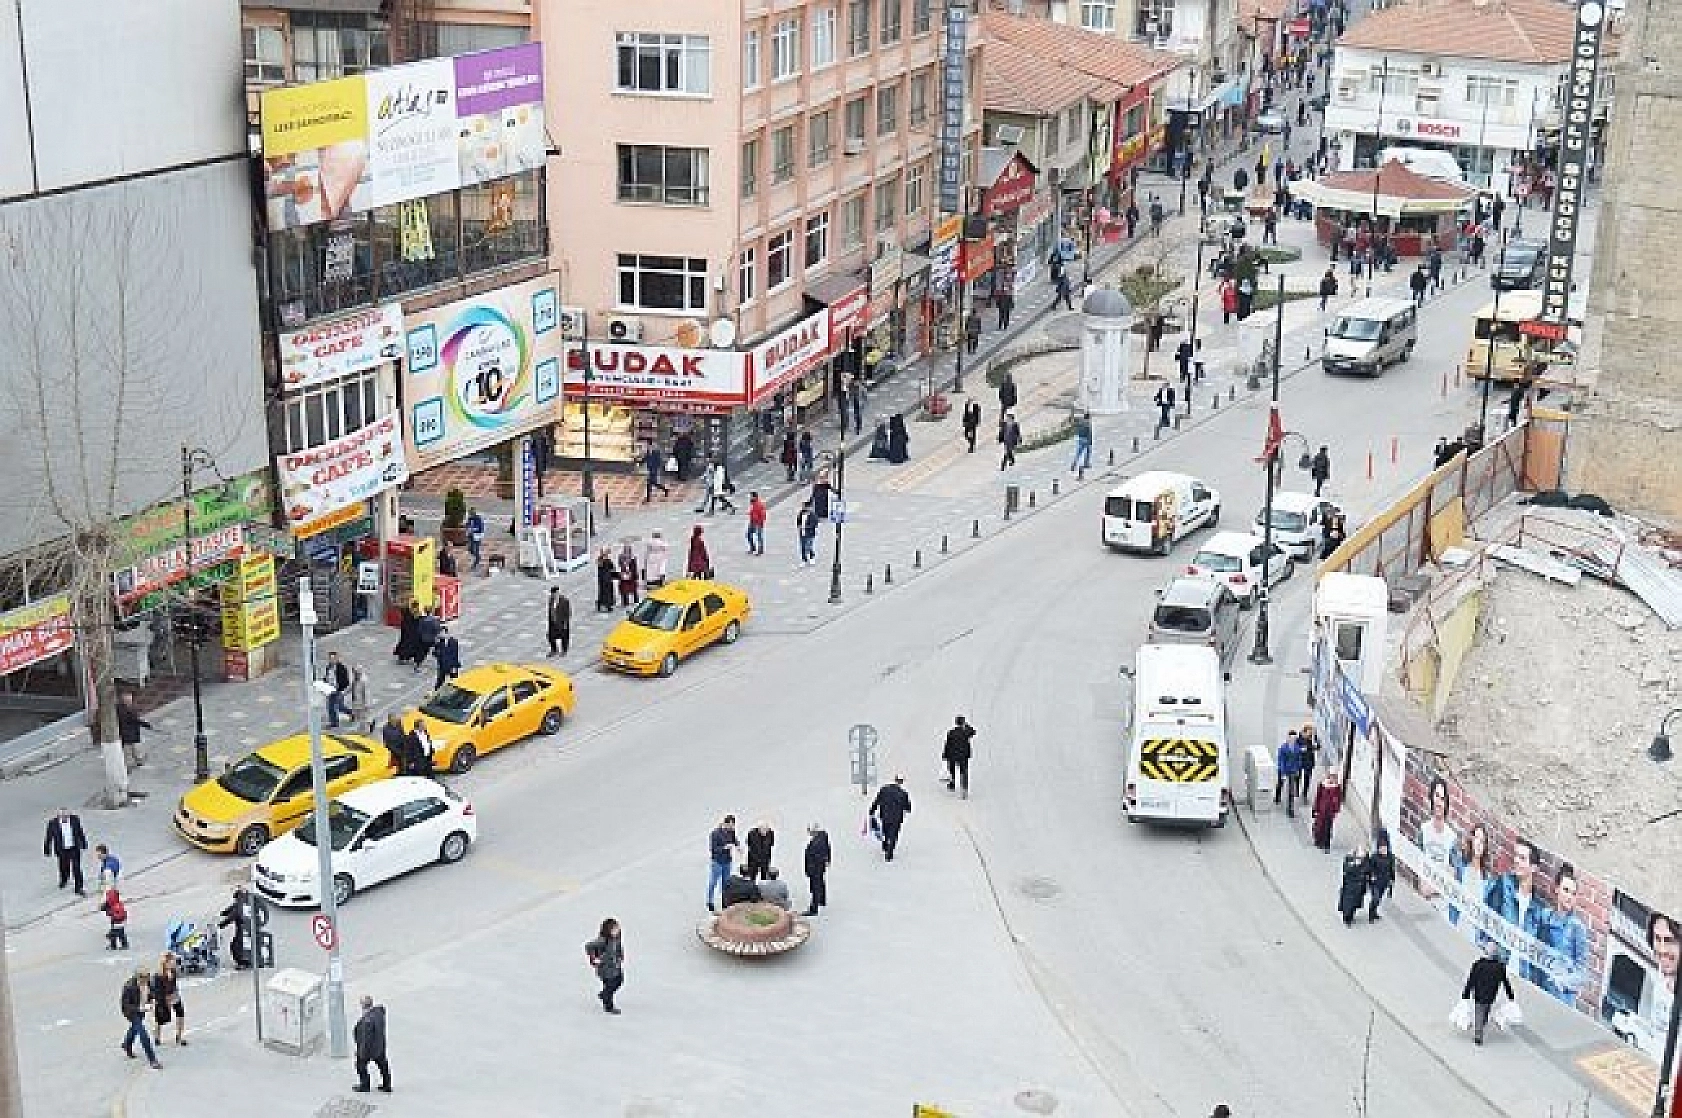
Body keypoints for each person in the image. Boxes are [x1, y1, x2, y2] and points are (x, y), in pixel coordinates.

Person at [1492, 837, 1553, 978]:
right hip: (1497, 965)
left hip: (1522, 976)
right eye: (1516, 856)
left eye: (1522, 858)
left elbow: (1539, 950)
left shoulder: (1539, 909)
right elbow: (1488, 913)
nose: (1517, 861)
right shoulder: (1504, 885)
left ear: (1534, 868)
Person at [1462, 941, 1515, 1045]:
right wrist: (1510, 994)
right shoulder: (1499, 967)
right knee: (1485, 1009)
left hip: (1479, 992)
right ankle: (1482, 1025)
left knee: (1479, 1011)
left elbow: (1471, 979)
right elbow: (1505, 981)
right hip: (1491, 993)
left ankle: (1478, 1035)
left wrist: (1466, 992)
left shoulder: (1478, 964)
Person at [120, 968, 162, 1069]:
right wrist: (139, 1008)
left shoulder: (148, 983)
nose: (144, 982)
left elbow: (152, 994)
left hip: (142, 1011)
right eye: (142, 979)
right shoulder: (129, 987)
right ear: (137, 977)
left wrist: (152, 1000)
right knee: (143, 1034)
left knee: (135, 1029)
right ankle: (152, 1059)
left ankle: (126, 1044)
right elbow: (125, 1005)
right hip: (132, 1013)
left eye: (146, 979)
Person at [585, 919, 625, 1015]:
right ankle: (608, 1005)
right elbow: (588, 946)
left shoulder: (616, 939)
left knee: (619, 980)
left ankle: (604, 994)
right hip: (605, 969)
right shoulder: (603, 940)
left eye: (617, 928)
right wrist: (594, 957)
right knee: (609, 986)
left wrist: (620, 956)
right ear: (607, 930)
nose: (617, 931)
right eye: (614, 929)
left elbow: (619, 948)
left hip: (615, 966)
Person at [44, 807, 88, 895]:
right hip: (61, 849)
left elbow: (80, 831)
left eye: (66, 815)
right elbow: (48, 837)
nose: (64, 817)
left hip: (74, 848)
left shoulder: (75, 819)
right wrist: (47, 849)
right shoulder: (53, 823)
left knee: (76, 867)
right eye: (62, 816)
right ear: (58, 816)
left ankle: (79, 887)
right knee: (63, 866)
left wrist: (83, 842)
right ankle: (64, 879)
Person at [352, 995, 392, 1091]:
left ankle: (365, 1085)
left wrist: (361, 1053)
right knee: (383, 1065)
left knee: (360, 1065)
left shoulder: (367, 1021)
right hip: (380, 1045)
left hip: (370, 1049)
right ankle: (387, 1085)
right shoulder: (378, 1014)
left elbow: (366, 1039)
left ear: (363, 1006)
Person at [869, 775, 912, 861]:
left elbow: (877, 800)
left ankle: (885, 844)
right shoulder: (903, 793)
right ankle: (889, 853)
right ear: (901, 782)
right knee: (894, 834)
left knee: (886, 831)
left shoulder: (884, 789)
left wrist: (872, 810)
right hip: (897, 818)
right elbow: (908, 807)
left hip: (885, 815)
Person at [706, 814, 739, 912]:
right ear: (725, 824)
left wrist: (737, 846)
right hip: (717, 861)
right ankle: (709, 901)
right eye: (731, 826)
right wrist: (725, 847)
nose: (732, 828)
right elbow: (713, 849)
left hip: (727, 861)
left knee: (726, 882)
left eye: (733, 826)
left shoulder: (731, 831)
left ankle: (725, 901)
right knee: (713, 882)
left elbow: (734, 839)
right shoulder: (715, 833)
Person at [152, 954, 186, 1047]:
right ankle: (157, 1037)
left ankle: (179, 1036)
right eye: (172, 961)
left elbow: (174, 984)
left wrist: (174, 994)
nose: (174, 963)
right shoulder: (158, 976)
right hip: (162, 997)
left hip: (173, 995)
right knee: (159, 1018)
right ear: (166, 963)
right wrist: (165, 1001)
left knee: (180, 1013)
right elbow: (158, 992)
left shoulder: (173, 971)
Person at [116, 691, 152, 769]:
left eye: (130, 698)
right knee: (133, 749)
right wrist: (146, 724)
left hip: (125, 734)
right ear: (124, 699)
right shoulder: (128, 710)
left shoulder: (119, 708)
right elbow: (136, 720)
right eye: (128, 699)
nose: (130, 700)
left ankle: (130, 764)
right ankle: (136, 762)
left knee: (129, 750)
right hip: (131, 733)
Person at [943, 715, 975, 798]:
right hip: (963, 755)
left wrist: (945, 755)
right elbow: (973, 732)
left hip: (952, 755)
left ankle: (952, 783)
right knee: (964, 772)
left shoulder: (951, 732)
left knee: (951, 770)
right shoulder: (966, 732)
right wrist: (966, 725)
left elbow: (947, 744)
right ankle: (964, 790)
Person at [802, 824, 831, 916]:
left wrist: (808, 871)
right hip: (821, 866)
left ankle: (813, 909)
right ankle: (822, 900)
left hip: (815, 869)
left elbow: (812, 859)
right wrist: (828, 860)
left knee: (815, 887)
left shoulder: (815, 844)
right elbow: (828, 848)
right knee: (821, 883)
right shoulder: (823, 836)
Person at [219, 889, 252, 969]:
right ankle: (247, 960)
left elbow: (231, 917)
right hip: (250, 929)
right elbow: (231, 908)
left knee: (235, 946)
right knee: (246, 945)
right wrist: (223, 913)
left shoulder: (239, 906)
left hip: (242, 930)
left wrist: (219, 926)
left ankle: (242, 963)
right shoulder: (246, 903)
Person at [1311, 771, 1342, 851]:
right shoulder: (1322, 785)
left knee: (1328, 828)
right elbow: (1318, 797)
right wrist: (1315, 809)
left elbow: (1338, 800)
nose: (1333, 778)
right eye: (1332, 776)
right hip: (1321, 810)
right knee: (1319, 826)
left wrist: (1336, 809)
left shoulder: (1337, 788)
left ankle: (1326, 844)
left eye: (1334, 777)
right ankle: (1318, 841)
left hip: (1330, 811)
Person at [1368, 830, 1396, 919]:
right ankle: (1371, 913)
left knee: (1379, 899)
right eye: (1381, 848)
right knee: (1375, 898)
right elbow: (1369, 868)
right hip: (1375, 882)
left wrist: (1392, 880)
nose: (1383, 850)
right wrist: (1371, 876)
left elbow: (1392, 869)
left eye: (1385, 848)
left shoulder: (1391, 857)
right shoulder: (1374, 857)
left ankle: (1374, 912)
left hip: (1384, 882)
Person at [1339, 847, 1371, 926]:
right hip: (1349, 886)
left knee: (1355, 904)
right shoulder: (1349, 860)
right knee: (1348, 903)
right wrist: (1354, 865)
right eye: (1359, 856)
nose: (1360, 858)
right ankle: (1347, 918)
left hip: (1360, 888)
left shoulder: (1366, 862)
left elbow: (1368, 872)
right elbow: (1346, 870)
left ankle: (1351, 916)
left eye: (1362, 856)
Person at [1274, 731, 1301, 816]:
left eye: (1294, 738)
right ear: (1288, 738)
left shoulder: (1297, 748)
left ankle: (1290, 809)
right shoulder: (1283, 748)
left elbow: (1299, 759)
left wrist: (1297, 769)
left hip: (1292, 771)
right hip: (1283, 770)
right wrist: (1283, 773)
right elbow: (1281, 760)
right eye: (1291, 738)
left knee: (1291, 791)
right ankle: (1277, 796)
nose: (1293, 740)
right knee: (1280, 784)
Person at [323, 650, 352, 729]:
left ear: (337, 658)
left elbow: (346, 682)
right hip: (330, 690)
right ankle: (334, 723)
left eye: (334, 658)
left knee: (339, 707)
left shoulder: (342, 668)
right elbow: (327, 677)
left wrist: (341, 691)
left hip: (338, 691)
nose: (332, 660)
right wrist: (324, 682)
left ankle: (352, 713)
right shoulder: (328, 667)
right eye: (330, 658)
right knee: (330, 707)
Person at [393, 599, 424, 666]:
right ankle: (409, 657)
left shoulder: (407, 611)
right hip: (413, 632)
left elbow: (399, 607)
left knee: (404, 643)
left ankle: (401, 658)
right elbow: (420, 622)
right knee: (412, 645)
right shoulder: (418, 613)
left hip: (405, 630)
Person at [430, 625, 460, 692]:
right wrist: (438, 652)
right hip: (442, 666)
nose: (439, 635)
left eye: (440, 633)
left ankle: (455, 692)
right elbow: (434, 653)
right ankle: (436, 692)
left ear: (446, 633)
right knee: (439, 682)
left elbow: (455, 655)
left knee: (455, 681)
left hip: (451, 665)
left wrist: (454, 667)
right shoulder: (439, 642)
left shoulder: (454, 641)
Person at [546, 586, 571, 657]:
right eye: (554, 594)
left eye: (557, 593)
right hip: (553, 623)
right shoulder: (551, 600)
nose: (555, 595)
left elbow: (568, 613)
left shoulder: (565, 601)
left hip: (562, 623)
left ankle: (564, 651)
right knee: (550, 636)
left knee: (564, 637)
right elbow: (550, 611)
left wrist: (565, 623)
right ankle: (554, 650)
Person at [615, 542, 641, 608]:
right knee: (627, 589)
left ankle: (630, 601)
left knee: (629, 589)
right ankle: (629, 601)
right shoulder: (631, 556)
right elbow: (620, 564)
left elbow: (634, 566)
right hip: (627, 575)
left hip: (628, 575)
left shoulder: (623, 556)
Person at [796, 501, 819, 566]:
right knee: (803, 547)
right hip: (802, 533)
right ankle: (804, 560)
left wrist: (806, 527)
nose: (803, 507)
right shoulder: (801, 513)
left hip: (810, 533)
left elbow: (814, 524)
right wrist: (799, 526)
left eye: (805, 506)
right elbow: (798, 521)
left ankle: (812, 557)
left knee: (809, 546)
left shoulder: (813, 515)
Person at [594, 549, 617, 613]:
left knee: (602, 593)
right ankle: (608, 606)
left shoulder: (602, 560)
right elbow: (613, 568)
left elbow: (612, 568)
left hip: (603, 580)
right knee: (607, 593)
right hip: (606, 580)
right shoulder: (604, 560)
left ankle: (601, 605)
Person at [745, 492, 767, 556]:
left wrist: (760, 523)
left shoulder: (759, 504)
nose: (750, 497)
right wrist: (750, 513)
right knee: (748, 535)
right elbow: (753, 511)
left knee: (759, 537)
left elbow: (763, 515)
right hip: (752, 522)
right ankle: (753, 547)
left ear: (754, 497)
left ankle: (760, 550)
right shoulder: (752, 503)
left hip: (758, 523)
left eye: (751, 496)